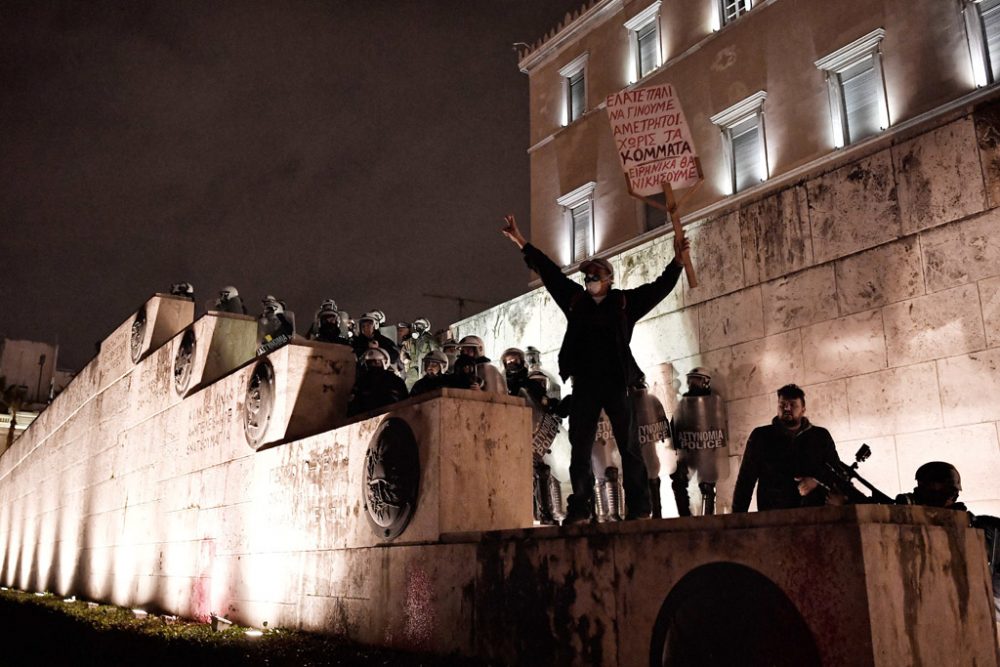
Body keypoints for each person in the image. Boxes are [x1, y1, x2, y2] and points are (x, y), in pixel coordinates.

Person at [501, 213, 689, 523]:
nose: (590, 280)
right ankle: (581, 506)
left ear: (609, 279)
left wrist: (678, 263)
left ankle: (640, 508)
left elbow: (658, 288)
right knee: (580, 448)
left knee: (629, 446)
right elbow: (549, 273)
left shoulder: (624, 303)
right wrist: (521, 241)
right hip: (586, 384)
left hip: (617, 383)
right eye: (587, 276)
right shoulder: (576, 302)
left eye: (596, 275)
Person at [732, 384, 842, 513]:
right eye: (782, 404)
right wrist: (736, 517)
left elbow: (837, 471)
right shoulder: (761, 436)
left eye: (793, 404)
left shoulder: (820, 436)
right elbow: (746, 480)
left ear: (803, 409)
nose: (787, 408)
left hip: (814, 514)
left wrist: (816, 481)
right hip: (774, 516)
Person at [670, 367, 728, 516]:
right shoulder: (684, 403)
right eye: (690, 379)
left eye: (696, 379)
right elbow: (675, 424)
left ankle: (707, 517)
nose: (691, 383)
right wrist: (675, 448)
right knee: (678, 480)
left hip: (707, 451)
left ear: (705, 381)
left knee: (708, 484)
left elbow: (721, 427)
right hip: (689, 450)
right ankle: (685, 516)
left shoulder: (714, 402)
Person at [348, 347, 408, 415]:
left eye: (375, 362)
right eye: (371, 362)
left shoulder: (360, 381)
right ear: (385, 362)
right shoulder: (395, 380)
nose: (373, 364)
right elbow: (407, 404)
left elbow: (351, 407)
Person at [894, 461, 966, 510]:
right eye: (948, 490)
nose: (952, 497)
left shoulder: (953, 510)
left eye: (954, 492)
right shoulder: (906, 504)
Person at [400, 318, 439, 390]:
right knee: (408, 389)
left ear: (425, 327)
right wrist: (405, 359)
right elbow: (403, 352)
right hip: (412, 371)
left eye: (420, 326)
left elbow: (438, 354)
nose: (418, 328)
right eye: (416, 326)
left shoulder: (431, 340)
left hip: (425, 368)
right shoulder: (410, 341)